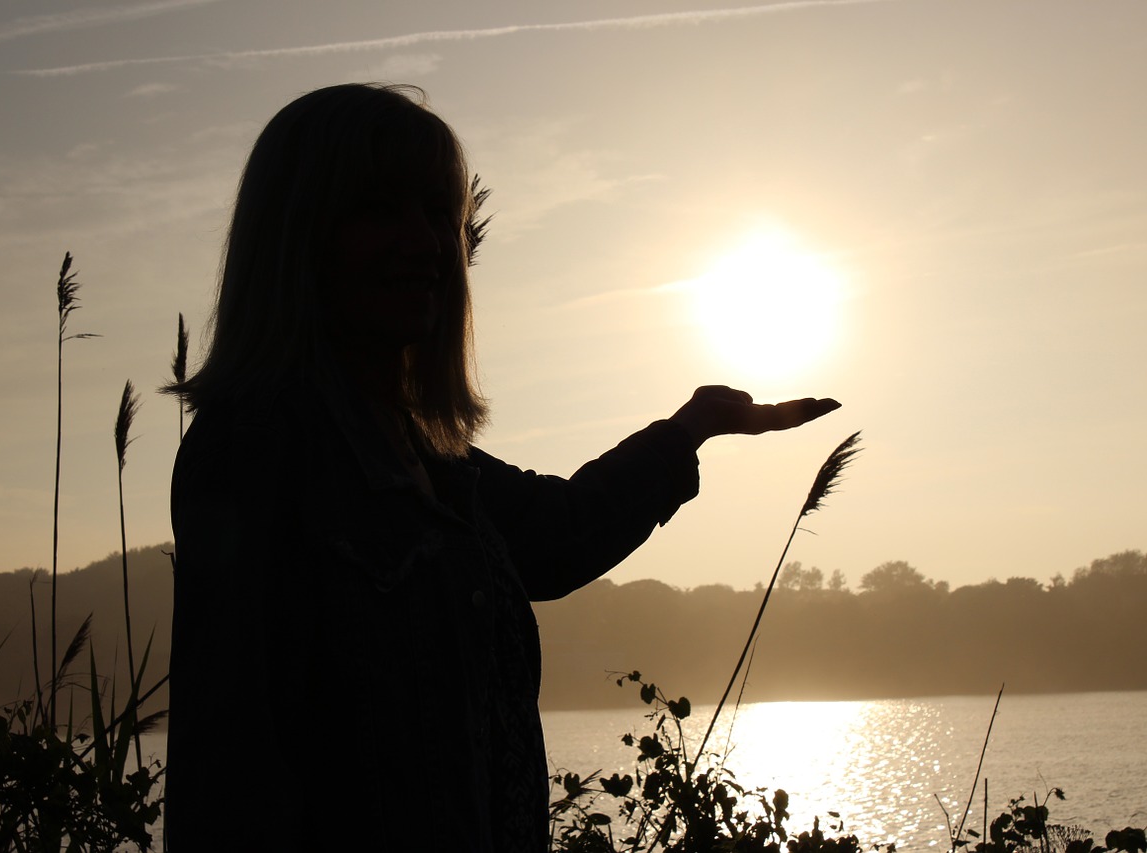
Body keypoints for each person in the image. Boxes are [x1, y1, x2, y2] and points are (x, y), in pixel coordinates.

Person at [164, 82, 840, 852]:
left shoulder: (429, 460)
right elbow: (230, 774)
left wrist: (689, 430)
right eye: (380, 207)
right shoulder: (256, 449)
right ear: (297, 234)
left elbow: (556, 533)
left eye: (435, 213)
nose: (423, 241)